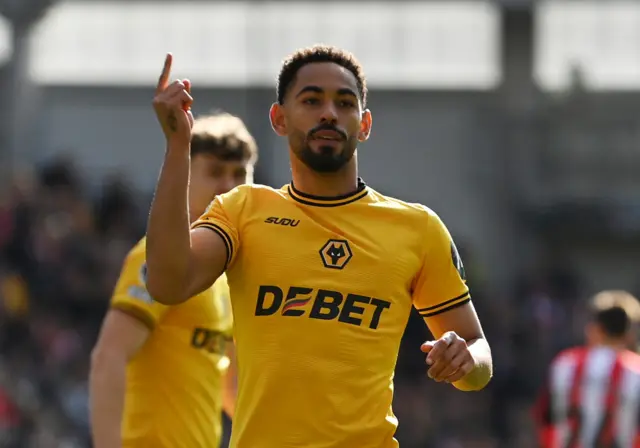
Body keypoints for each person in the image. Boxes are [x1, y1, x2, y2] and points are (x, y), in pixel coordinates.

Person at [146, 46, 493, 447]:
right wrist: (177, 147)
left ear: (364, 124)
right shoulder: (243, 210)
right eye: (311, 100)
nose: (329, 112)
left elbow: (477, 356)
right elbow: (167, 284)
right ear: (279, 118)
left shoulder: (418, 228)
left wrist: (466, 360)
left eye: (344, 103)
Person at [89, 112, 258, 447]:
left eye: (239, 174)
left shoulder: (222, 276)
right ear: (187, 175)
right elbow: (109, 358)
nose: (228, 186)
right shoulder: (157, 259)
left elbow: (228, 385)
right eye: (215, 172)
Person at [535, 290, 640, 448]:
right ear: (628, 332)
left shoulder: (564, 364)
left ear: (594, 328)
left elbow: (544, 418)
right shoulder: (636, 370)